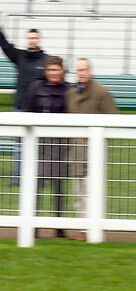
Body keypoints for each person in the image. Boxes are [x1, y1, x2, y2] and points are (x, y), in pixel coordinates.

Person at [65, 58, 118, 241]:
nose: (81, 73)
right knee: (78, 193)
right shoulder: (70, 95)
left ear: (90, 70)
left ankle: (91, 229)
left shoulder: (102, 92)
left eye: (84, 69)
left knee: (91, 192)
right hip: (75, 152)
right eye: (78, 70)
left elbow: (113, 119)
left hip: (94, 152)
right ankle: (83, 228)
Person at [0, 10, 48, 186]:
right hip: (20, 108)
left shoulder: (47, 60)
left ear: (38, 39)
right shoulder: (20, 57)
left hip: (39, 110)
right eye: (30, 38)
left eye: (35, 38)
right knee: (19, 146)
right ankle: (18, 178)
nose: (32, 40)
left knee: (40, 147)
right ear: (28, 39)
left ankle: (40, 179)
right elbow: (5, 46)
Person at [24, 56, 71, 239]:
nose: (53, 73)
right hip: (38, 143)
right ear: (46, 71)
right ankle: (33, 226)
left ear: (62, 71)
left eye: (56, 69)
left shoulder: (69, 90)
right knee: (34, 185)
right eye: (50, 70)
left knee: (59, 187)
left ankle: (59, 226)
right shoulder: (36, 88)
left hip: (59, 144)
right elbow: (27, 111)